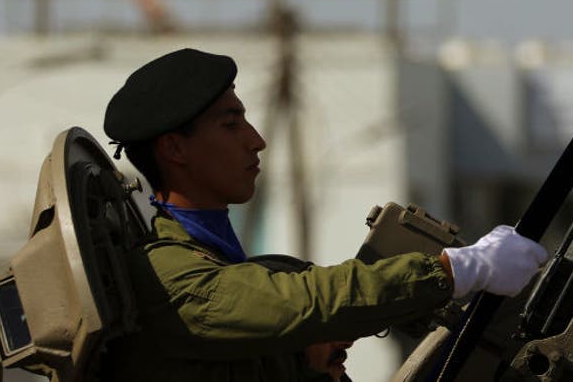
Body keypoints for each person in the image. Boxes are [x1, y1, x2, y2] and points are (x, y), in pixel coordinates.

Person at [99, 48, 547, 381]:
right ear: (175, 148)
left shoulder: (224, 266)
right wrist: (459, 270)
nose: (256, 140)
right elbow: (310, 301)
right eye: (231, 124)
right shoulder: (170, 278)